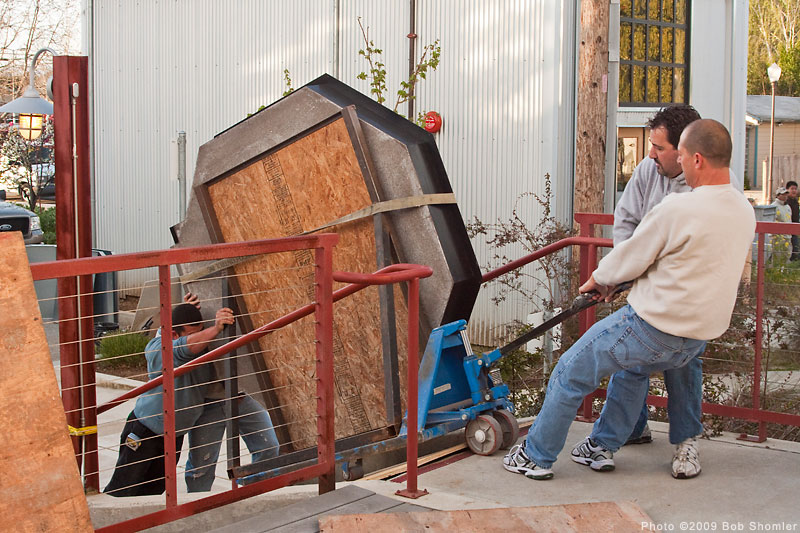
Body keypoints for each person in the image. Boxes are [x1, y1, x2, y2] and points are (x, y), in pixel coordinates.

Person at [502, 119, 755, 481]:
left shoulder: (679, 208)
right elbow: (688, 262)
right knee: (633, 367)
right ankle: (600, 444)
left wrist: (599, 280)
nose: (679, 163)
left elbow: (634, 253)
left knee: (570, 373)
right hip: (696, 338)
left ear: (697, 159)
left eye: (681, 156)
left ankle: (535, 456)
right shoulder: (743, 210)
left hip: (653, 327)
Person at [608, 104, 709, 481]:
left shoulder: (708, 185)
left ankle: (686, 442)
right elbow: (626, 220)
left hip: (687, 295)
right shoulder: (647, 172)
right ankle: (634, 429)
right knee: (630, 356)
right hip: (645, 289)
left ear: (684, 151)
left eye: (658, 147)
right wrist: (626, 270)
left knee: (683, 364)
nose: (650, 154)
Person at [103, 297, 234, 496]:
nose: (200, 338)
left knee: (154, 492)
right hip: (146, 430)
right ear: (173, 334)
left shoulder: (196, 343)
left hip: (174, 434)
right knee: (123, 489)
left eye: (200, 331)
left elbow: (191, 340)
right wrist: (215, 329)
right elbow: (183, 347)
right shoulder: (158, 348)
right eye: (192, 334)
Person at [184, 372, 280, 492]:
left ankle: (252, 491)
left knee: (269, 446)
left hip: (242, 396)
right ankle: (197, 506)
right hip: (207, 401)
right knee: (201, 466)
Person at [770, 187, 792, 263]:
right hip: (778, 237)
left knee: (787, 256)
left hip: (788, 236)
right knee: (777, 257)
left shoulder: (787, 207)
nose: (785, 196)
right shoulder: (774, 206)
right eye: (783, 195)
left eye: (786, 194)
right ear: (778, 195)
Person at [785, 181, 799, 261]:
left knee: (795, 248)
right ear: (787, 190)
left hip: (795, 228)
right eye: (792, 189)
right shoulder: (786, 202)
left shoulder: (796, 202)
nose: (794, 191)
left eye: (795, 189)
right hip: (788, 229)